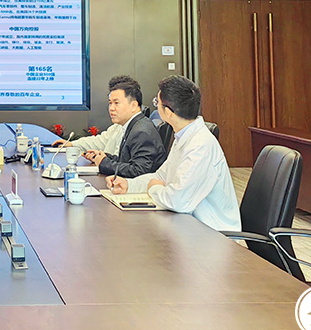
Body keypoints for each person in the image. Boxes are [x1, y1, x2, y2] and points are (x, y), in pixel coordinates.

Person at [107, 76, 241, 231]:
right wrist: (129, 185)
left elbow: (178, 201)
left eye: (157, 103)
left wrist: (154, 189)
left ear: (168, 113)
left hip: (212, 233)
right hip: (189, 225)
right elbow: (160, 177)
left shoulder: (200, 145)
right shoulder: (183, 137)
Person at [54, 75, 166, 178]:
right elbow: (125, 160)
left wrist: (104, 163)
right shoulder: (132, 125)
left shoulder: (141, 131)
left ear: (133, 105)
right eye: (110, 103)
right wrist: (104, 157)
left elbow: (139, 171)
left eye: (116, 103)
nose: (111, 108)